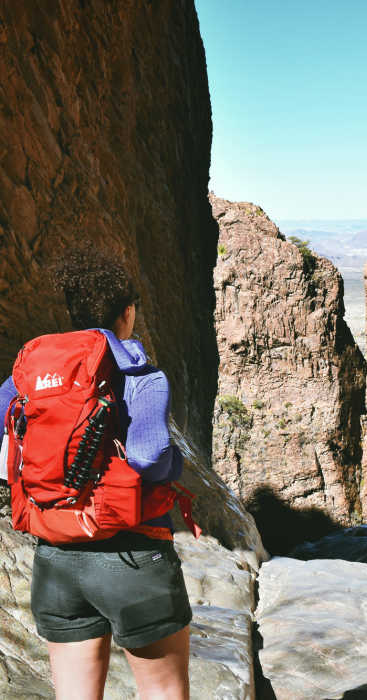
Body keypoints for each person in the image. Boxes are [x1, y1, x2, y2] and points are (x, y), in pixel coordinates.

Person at [0, 249, 192, 700]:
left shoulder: (26, 377)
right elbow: (150, 457)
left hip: (56, 560)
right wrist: (172, 467)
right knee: (164, 693)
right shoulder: (141, 375)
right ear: (127, 312)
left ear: (73, 312)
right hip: (133, 556)